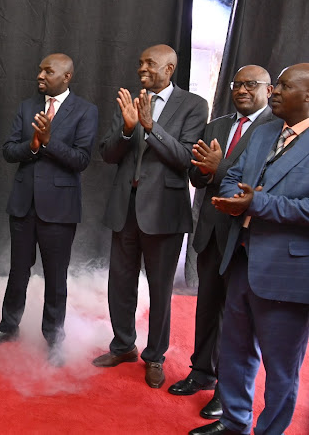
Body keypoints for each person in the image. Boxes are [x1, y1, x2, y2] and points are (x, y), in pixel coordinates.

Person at [190, 63, 309, 435]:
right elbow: (233, 177)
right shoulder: (264, 132)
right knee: (236, 349)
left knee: (280, 368)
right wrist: (232, 198)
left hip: (286, 274)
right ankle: (233, 422)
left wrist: (255, 204)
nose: (273, 92)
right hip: (239, 256)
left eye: (283, 87)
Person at [94, 44, 208, 388]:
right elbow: (108, 154)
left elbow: (186, 158)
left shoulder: (194, 105)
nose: (141, 68)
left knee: (160, 290)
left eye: (149, 63)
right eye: (140, 61)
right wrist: (129, 129)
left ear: (169, 69)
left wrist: (151, 126)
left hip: (164, 213)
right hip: (124, 209)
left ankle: (155, 356)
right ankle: (123, 346)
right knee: (121, 284)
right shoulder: (131, 101)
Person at [0, 54, 98, 362]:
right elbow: (8, 151)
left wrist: (47, 142)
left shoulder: (85, 111)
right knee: (18, 270)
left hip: (59, 209)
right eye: (40, 68)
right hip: (23, 205)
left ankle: (55, 338)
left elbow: (81, 159)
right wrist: (32, 145)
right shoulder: (27, 106)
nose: (40, 74)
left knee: (56, 276)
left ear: (67, 76)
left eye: (48, 70)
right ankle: (8, 326)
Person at [169, 66, 273, 418]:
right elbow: (198, 176)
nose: (242, 89)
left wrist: (221, 166)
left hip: (244, 237)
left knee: (235, 317)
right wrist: (204, 169)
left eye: (251, 84)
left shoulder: (275, 129)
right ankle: (201, 373)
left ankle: (226, 391)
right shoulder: (216, 125)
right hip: (212, 230)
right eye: (237, 84)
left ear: (269, 91)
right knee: (207, 307)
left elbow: (260, 182)